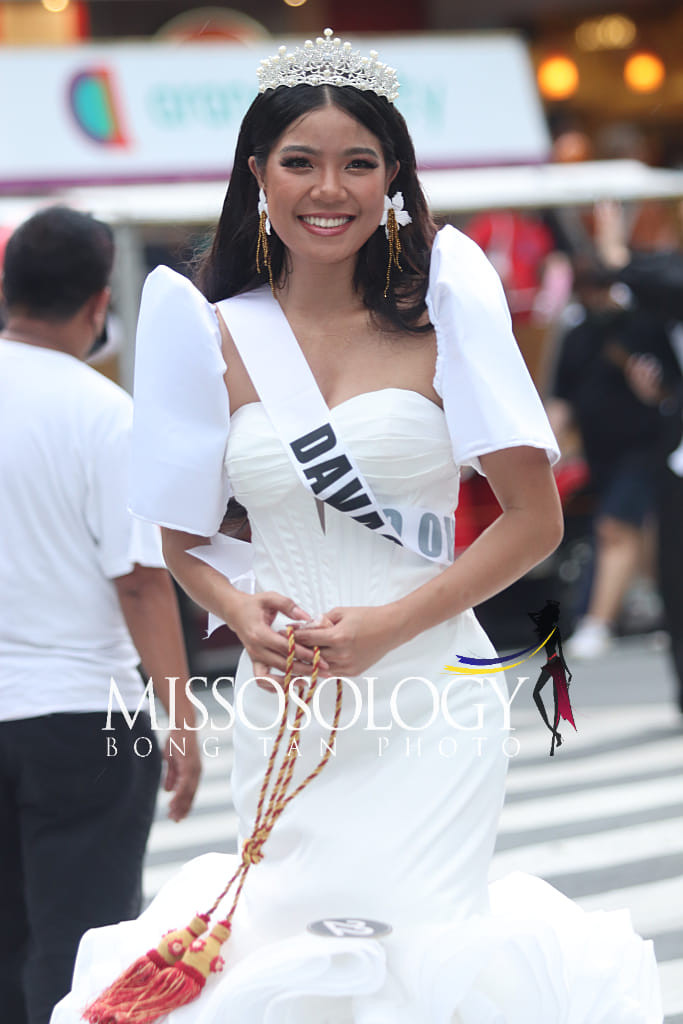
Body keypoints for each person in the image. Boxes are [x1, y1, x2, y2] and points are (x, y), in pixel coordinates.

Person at [55, 32, 660, 1024]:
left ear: (392, 179)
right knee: (295, 945)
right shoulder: (208, 329)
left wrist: (389, 623)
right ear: (257, 174)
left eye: (356, 163)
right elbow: (178, 542)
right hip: (283, 700)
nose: (325, 188)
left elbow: (533, 520)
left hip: (431, 696)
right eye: (299, 161)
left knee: (415, 946)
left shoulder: (443, 313)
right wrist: (239, 612)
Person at [0, 206, 201, 1024]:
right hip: (86, 716)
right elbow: (142, 583)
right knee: (82, 950)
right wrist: (180, 716)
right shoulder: (106, 415)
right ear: (95, 306)